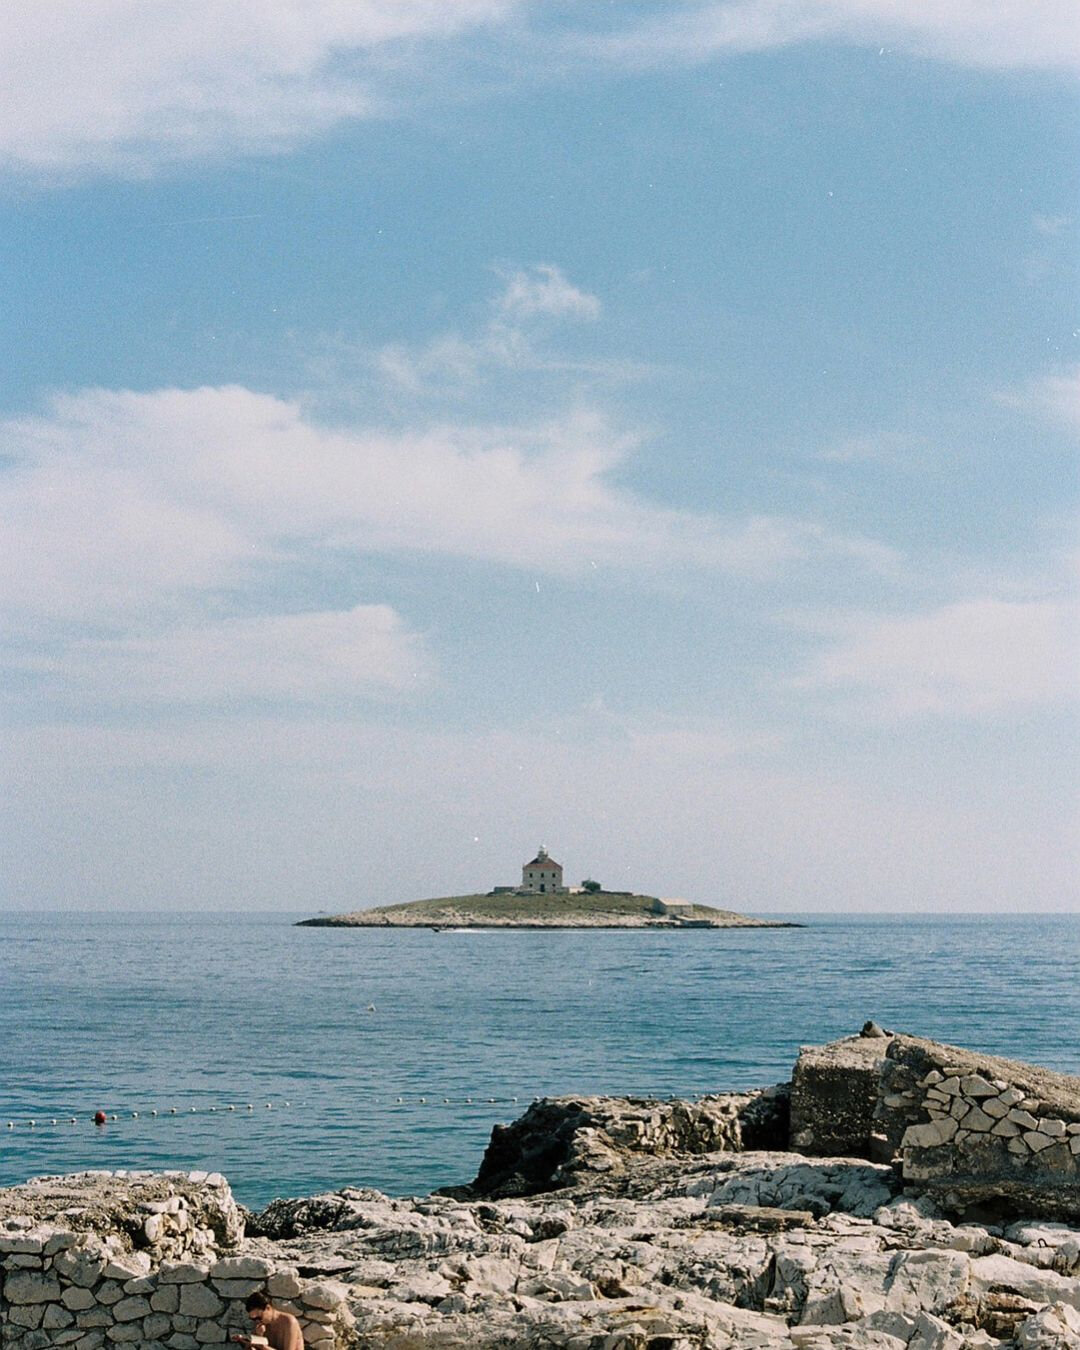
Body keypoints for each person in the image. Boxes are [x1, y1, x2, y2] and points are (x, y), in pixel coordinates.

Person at [231, 1291, 304, 1350]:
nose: (257, 1321)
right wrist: (257, 1337)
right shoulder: (261, 1325)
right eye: (254, 1319)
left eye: (259, 1317)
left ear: (268, 1308)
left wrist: (261, 1346)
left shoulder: (288, 1322)